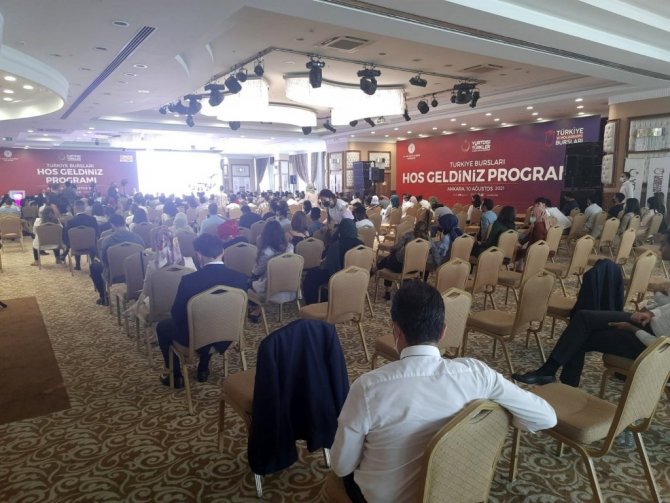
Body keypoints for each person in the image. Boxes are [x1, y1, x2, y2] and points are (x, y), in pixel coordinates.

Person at [331, 281, 557, 503]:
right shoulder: (478, 374)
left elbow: (342, 466)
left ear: (396, 331)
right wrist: (501, 417)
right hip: (454, 492)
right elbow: (546, 417)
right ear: (443, 331)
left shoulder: (368, 387)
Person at [513, 233, 670, 387]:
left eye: (664, 244)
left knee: (580, 335)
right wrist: (651, 313)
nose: (660, 248)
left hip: (652, 345)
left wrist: (633, 329)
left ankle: (559, 379)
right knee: (582, 318)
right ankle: (552, 375)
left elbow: (663, 346)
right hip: (648, 324)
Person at [156, 234, 248, 387]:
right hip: (228, 335)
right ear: (222, 252)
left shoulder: (189, 281)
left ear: (198, 255)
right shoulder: (240, 278)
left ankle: (175, 375)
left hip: (196, 339)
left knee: (163, 326)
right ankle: (203, 368)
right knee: (212, 319)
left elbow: (177, 315)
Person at [302, 218, 362, 305]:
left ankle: (313, 303)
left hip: (339, 277)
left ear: (341, 229)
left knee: (311, 275)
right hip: (358, 277)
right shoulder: (361, 245)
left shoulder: (337, 245)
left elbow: (329, 267)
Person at [377, 221, 441, 300]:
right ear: (426, 231)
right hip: (416, 270)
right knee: (389, 259)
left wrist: (392, 250)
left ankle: (387, 292)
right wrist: (437, 267)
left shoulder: (408, 235)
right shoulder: (428, 241)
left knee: (387, 260)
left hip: (401, 268)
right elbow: (436, 254)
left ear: (414, 228)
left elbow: (397, 247)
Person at [89, 214, 145, 305]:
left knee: (94, 267)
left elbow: (104, 262)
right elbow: (143, 255)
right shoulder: (138, 238)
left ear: (112, 225)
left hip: (114, 275)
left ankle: (104, 297)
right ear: (124, 223)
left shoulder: (107, 241)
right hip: (135, 272)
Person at [248, 220, 294, 320]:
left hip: (271, 289)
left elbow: (257, 272)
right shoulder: (290, 248)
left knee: (247, 282)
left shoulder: (266, 252)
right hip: (290, 286)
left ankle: (256, 309)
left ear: (265, 235)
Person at [62, 199, 99, 270]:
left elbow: (67, 237)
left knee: (75, 239)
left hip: (76, 247)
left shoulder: (71, 222)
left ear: (75, 208)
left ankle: (78, 264)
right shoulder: (92, 220)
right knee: (92, 240)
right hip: (91, 246)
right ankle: (93, 262)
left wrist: (67, 245)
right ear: (84, 207)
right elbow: (97, 233)